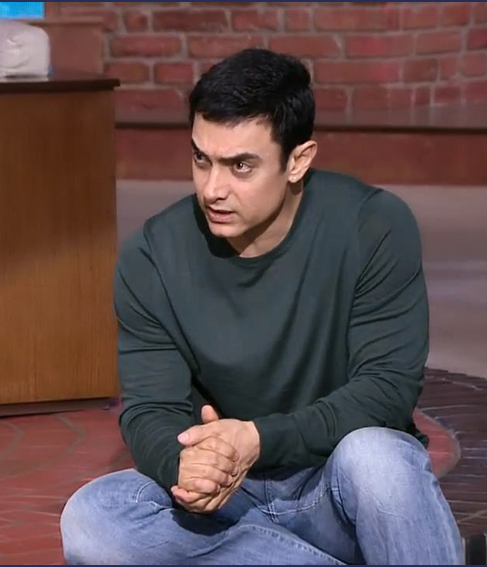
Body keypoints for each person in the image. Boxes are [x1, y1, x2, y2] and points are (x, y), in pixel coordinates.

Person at [60, 48, 463, 565]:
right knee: (93, 518)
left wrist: (257, 438)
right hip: (227, 501)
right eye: (201, 159)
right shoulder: (152, 256)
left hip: (332, 483)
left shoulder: (372, 226)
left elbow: (386, 391)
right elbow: (150, 409)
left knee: (380, 460)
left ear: (298, 161)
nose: (213, 189)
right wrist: (185, 466)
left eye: (240, 166)